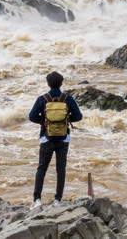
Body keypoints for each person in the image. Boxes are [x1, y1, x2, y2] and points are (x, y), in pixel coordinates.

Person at [28, 71, 83, 208]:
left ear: (48, 83)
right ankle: (58, 199)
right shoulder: (67, 99)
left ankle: (37, 200)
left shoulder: (43, 98)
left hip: (46, 138)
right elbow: (79, 116)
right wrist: (67, 119)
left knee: (42, 168)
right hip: (63, 138)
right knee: (61, 169)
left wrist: (44, 122)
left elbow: (32, 116)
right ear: (61, 83)